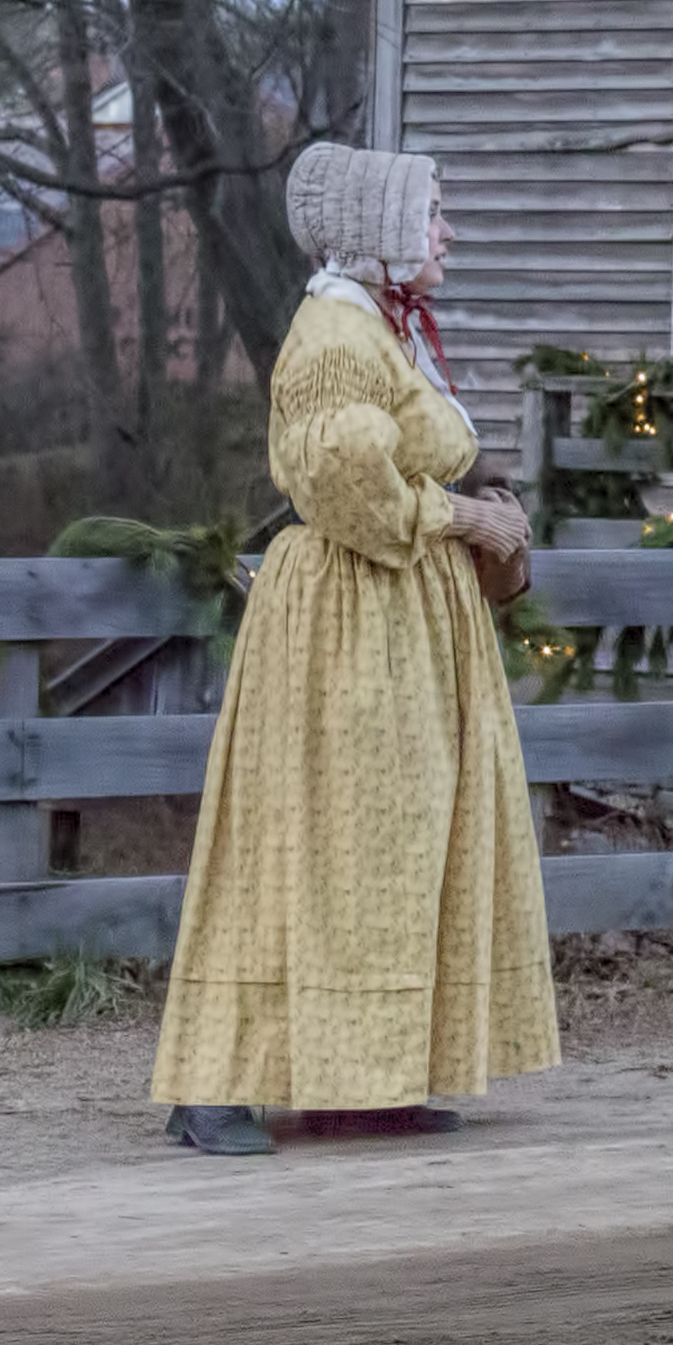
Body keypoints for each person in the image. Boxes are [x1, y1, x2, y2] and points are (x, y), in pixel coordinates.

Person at [149, 143, 558, 1155]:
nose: (446, 233)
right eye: (429, 217)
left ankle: (363, 1077)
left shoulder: (381, 325)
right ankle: (211, 1084)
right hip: (345, 621)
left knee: (390, 852)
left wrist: (476, 511)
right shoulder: (334, 330)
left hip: (402, 620)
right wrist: (464, 517)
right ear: (378, 233)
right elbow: (340, 482)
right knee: (305, 840)